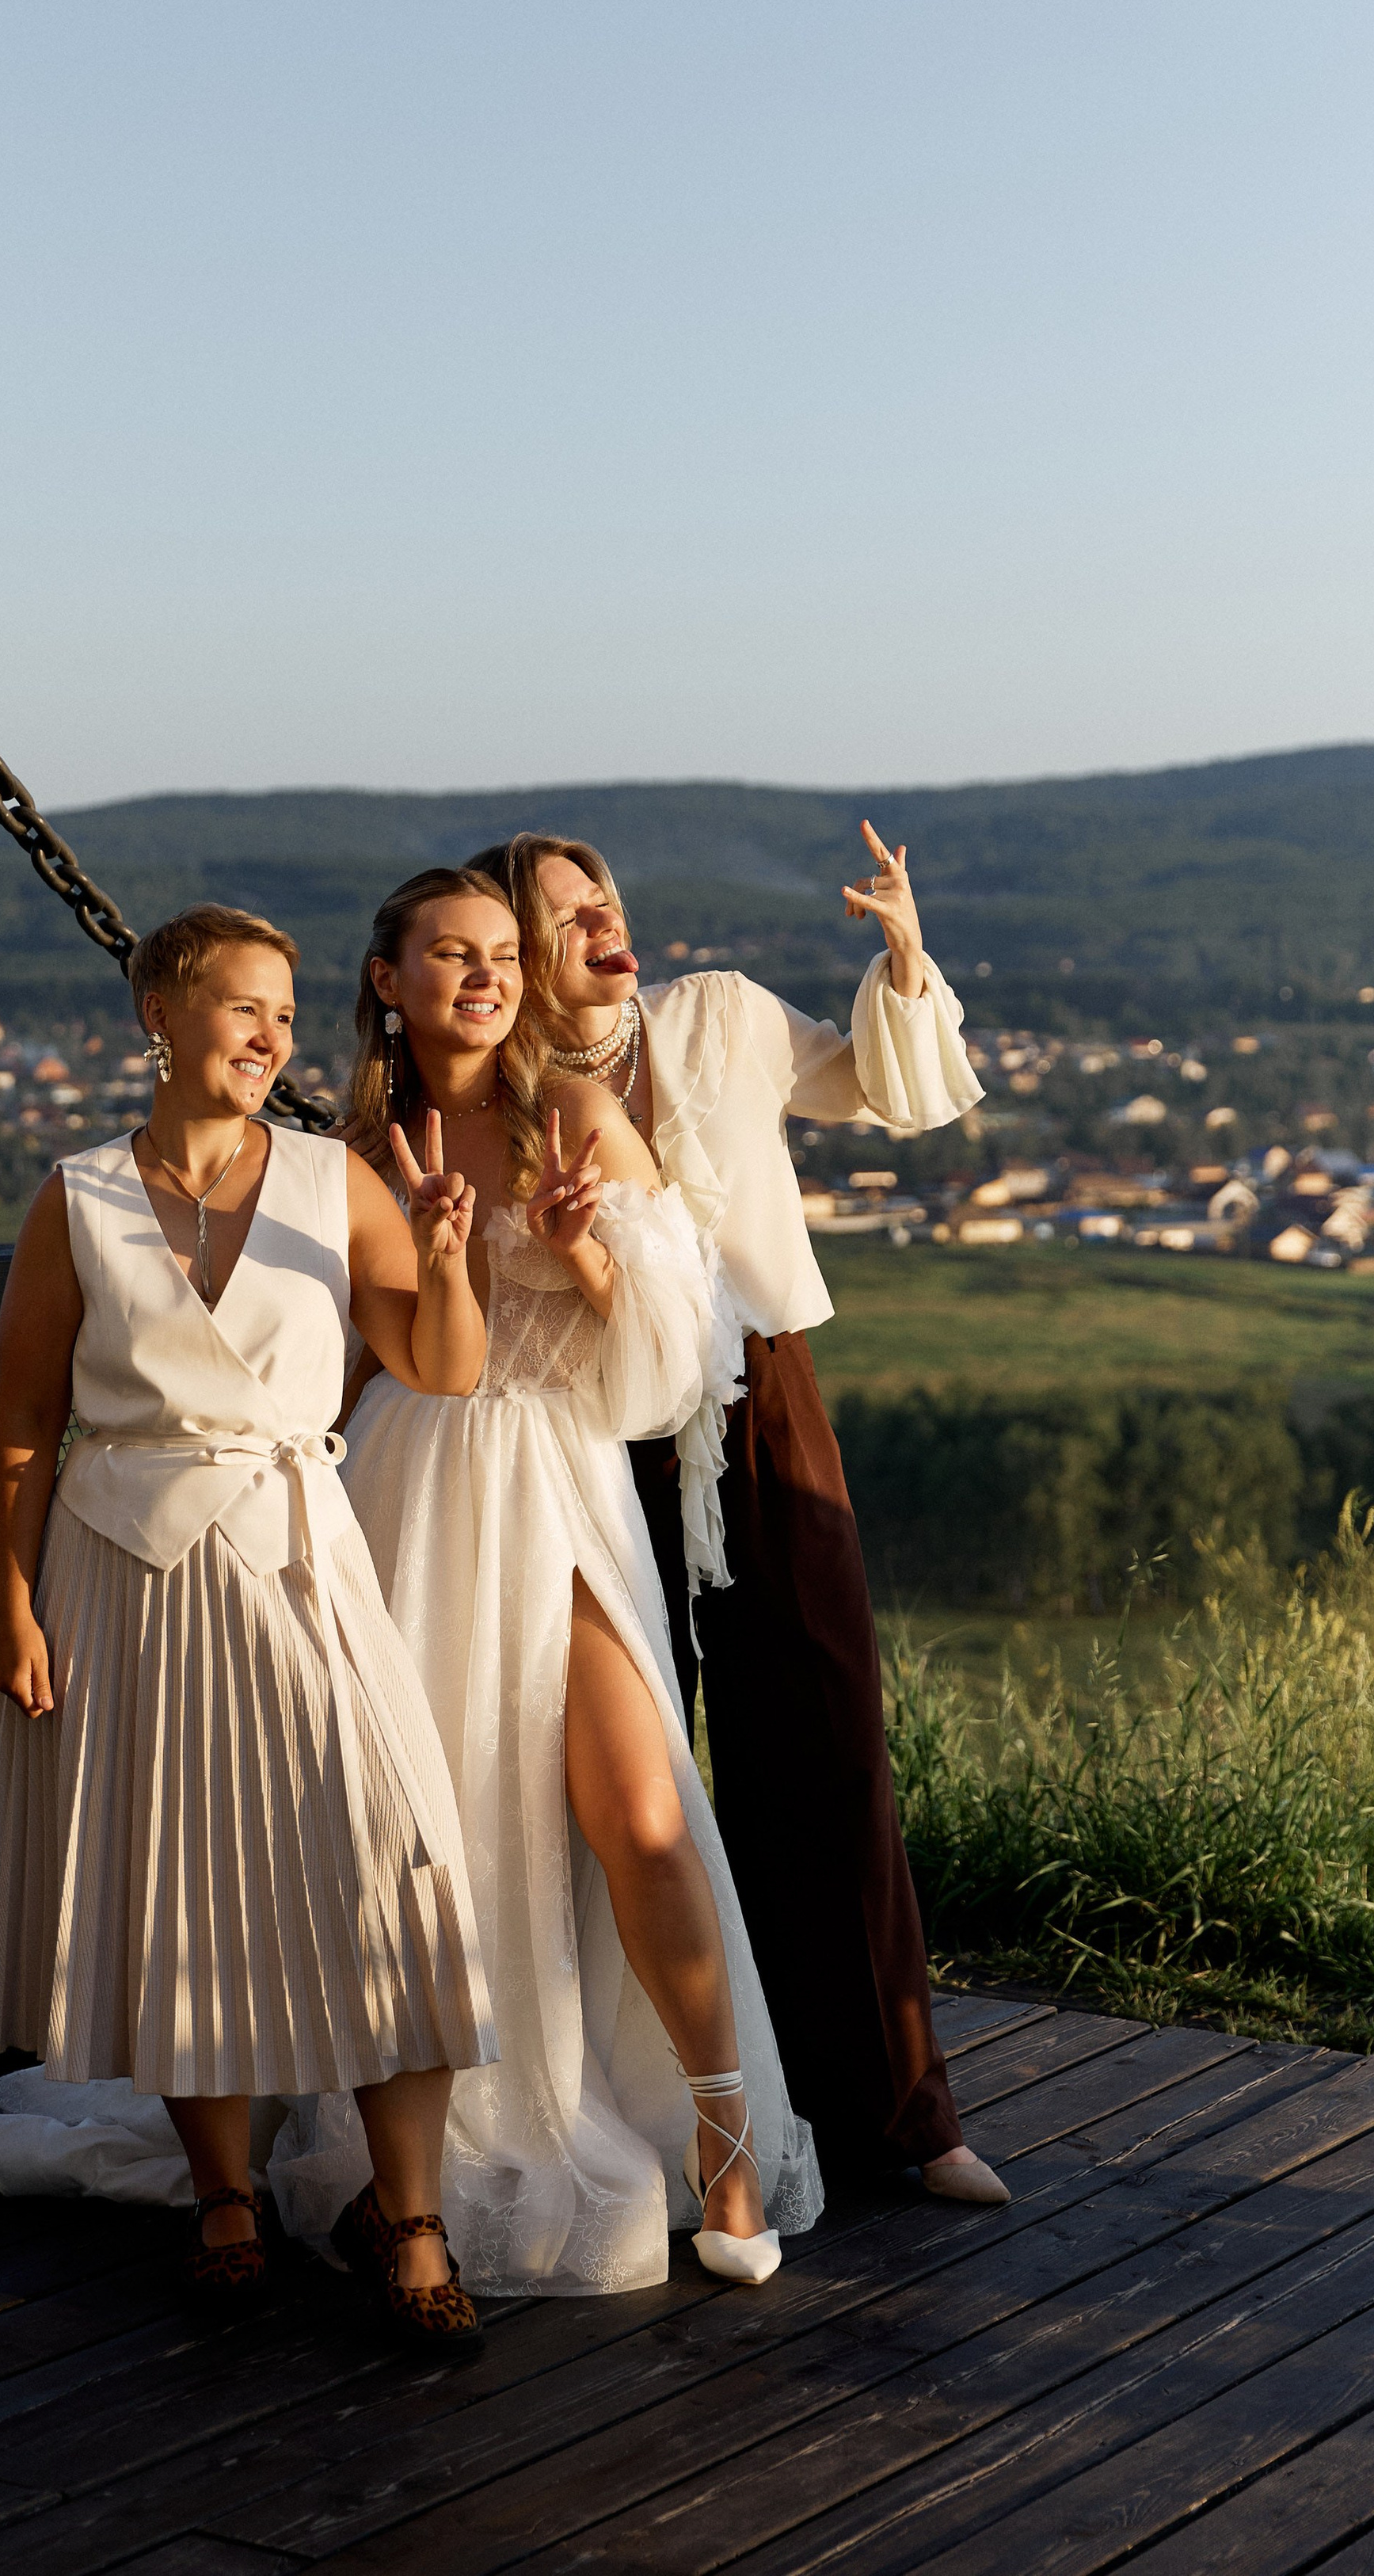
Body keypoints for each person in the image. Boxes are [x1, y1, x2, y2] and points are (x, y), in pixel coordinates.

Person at [0, 902, 501, 2346]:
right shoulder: (77, 1197)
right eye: (242, 1009)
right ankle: (225, 2201)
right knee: (175, 1881)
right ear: (162, 1018)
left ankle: (414, 2217)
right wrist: (10, 1599)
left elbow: (440, 1370)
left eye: (282, 1015)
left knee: (392, 1864)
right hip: (122, 1576)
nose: (269, 1039)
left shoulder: (337, 1181)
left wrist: (444, 1255)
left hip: (300, 1565)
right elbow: (21, 1417)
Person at [276, 867, 821, 2296]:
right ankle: (421, 2158)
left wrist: (582, 1260)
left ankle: (724, 2139)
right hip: (401, 1485)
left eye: (504, 954)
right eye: (451, 955)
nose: (487, 977)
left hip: (557, 1487)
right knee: (420, 1834)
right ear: (385, 980)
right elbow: (335, 1357)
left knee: (640, 1816)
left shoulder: (573, 1116)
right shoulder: (351, 1143)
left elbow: (676, 1366)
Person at [470, 828, 1010, 2208]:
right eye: (568, 914)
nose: (606, 924)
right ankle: (661, 2110)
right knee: (623, 1781)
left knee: (821, 1739)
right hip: (592, 1434)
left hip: (760, 1397)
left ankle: (899, 2112)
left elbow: (888, 1093)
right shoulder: (504, 1090)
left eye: (610, 901)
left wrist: (900, 945)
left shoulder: (719, 1015)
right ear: (518, 956)